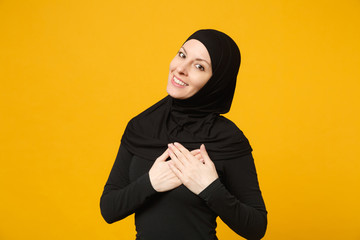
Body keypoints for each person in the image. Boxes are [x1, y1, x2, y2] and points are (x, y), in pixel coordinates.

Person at [100, 29, 267, 240]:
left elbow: (256, 227)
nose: (180, 69)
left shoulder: (227, 139)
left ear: (216, 81)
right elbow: (109, 209)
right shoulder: (141, 127)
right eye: (182, 54)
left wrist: (210, 188)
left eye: (199, 66)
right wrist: (150, 182)